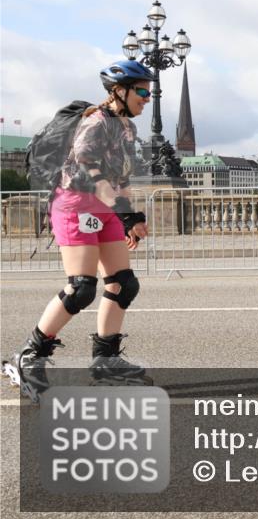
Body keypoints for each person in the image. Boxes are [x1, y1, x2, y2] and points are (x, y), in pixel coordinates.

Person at [7, 60, 154, 401]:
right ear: (119, 91)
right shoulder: (95, 123)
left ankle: (105, 363)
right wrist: (126, 215)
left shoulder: (126, 128)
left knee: (123, 283)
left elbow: (121, 177)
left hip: (105, 208)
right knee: (81, 288)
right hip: (75, 206)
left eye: (150, 92)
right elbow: (92, 174)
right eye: (142, 91)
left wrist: (130, 217)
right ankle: (28, 357)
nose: (147, 98)